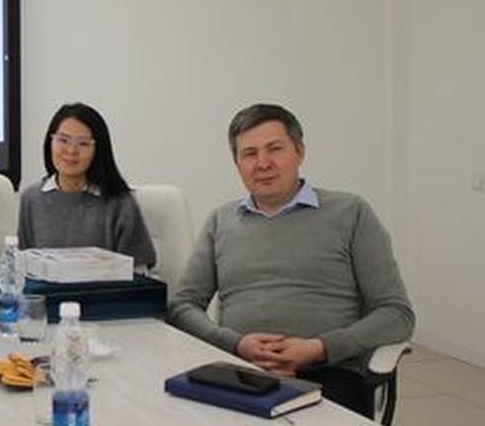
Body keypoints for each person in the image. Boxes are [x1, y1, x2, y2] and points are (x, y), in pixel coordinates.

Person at [167, 104, 414, 417]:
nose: (263, 164)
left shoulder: (351, 212)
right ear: (237, 163)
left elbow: (397, 314)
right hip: (239, 370)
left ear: (299, 152)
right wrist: (236, 344)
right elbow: (182, 306)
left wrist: (319, 348)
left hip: (328, 373)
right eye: (249, 154)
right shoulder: (221, 221)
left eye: (275, 149)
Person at [17, 103, 156, 268]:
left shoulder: (120, 202)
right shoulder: (31, 199)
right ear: (50, 142)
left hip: (108, 285)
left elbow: (138, 269)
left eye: (83, 143)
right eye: (63, 140)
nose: (71, 150)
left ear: (98, 149)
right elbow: (23, 266)